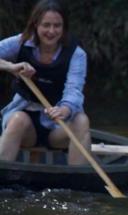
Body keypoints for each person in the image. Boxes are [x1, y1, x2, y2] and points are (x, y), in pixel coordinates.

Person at [0, 0, 90, 165]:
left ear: (64, 28)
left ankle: (75, 182)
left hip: (57, 127)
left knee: (81, 120)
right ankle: (4, 175)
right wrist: (11, 67)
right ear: (36, 25)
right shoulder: (21, 42)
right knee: (17, 120)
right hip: (26, 126)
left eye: (57, 26)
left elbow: (74, 89)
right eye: (46, 25)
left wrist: (65, 108)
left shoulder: (77, 54)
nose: (51, 31)